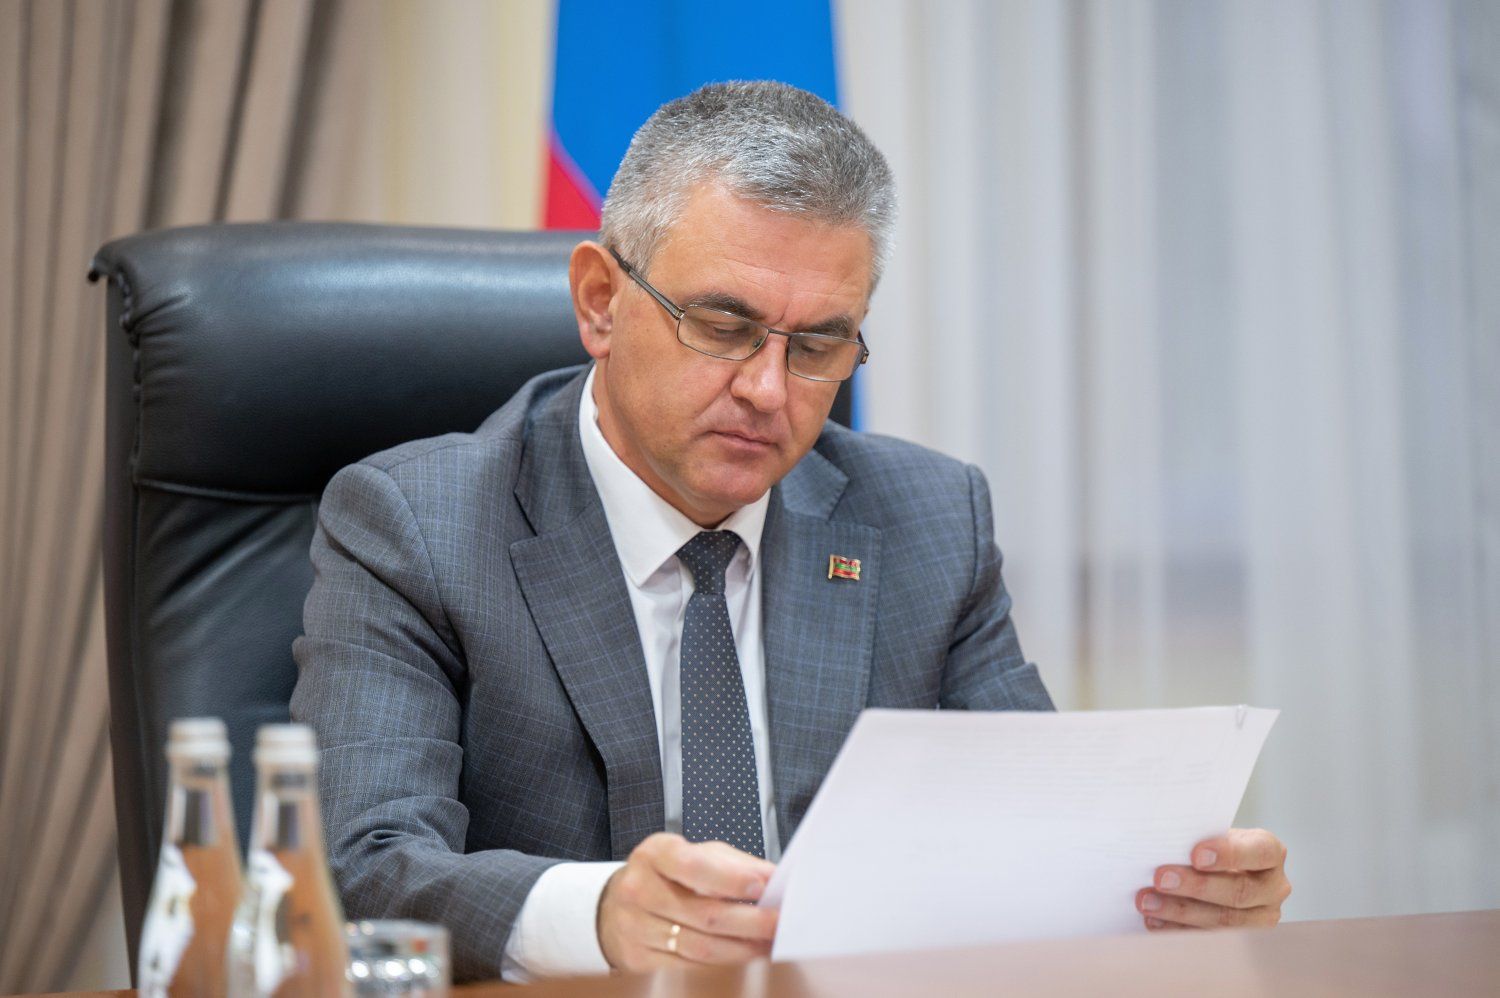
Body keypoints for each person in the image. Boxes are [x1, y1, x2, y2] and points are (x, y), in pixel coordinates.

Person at [290, 81, 1291, 983]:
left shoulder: (927, 518)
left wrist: (1168, 893)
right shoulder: (418, 524)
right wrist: (600, 915)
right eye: (722, 327)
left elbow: (1040, 833)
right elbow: (364, 864)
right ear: (600, 301)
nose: (768, 390)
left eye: (818, 344)